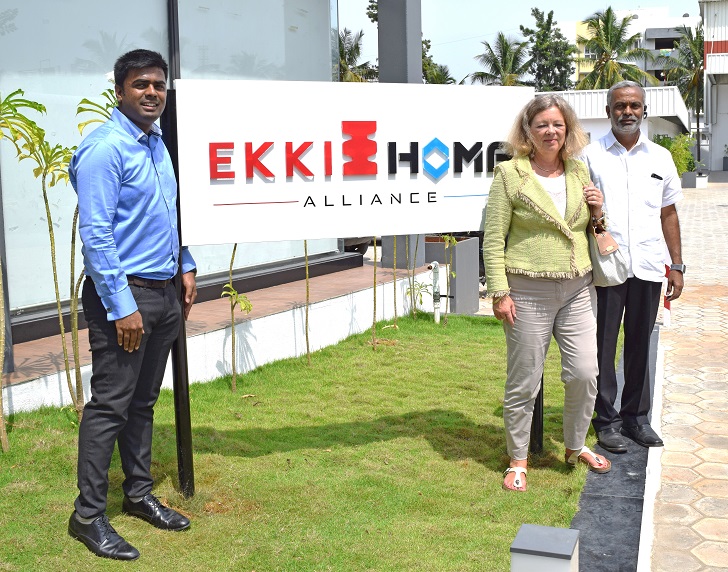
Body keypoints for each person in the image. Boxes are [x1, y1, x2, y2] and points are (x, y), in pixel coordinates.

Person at [67, 49, 198, 560]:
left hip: (164, 292)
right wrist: (122, 306)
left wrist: (184, 262)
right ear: (120, 91)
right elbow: (97, 237)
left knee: (143, 403)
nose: (152, 93)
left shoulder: (158, 144)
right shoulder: (105, 149)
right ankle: (88, 516)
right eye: (141, 84)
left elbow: (168, 215)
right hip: (125, 298)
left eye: (159, 85)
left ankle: (138, 495)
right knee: (110, 406)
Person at [483, 95, 611, 492]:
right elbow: (492, 238)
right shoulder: (509, 174)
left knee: (585, 372)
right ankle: (518, 458)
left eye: (557, 124)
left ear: (568, 129)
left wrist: (598, 209)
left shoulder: (579, 169)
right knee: (525, 380)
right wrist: (499, 292)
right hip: (526, 290)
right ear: (527, 132)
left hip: (577, 287)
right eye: (542, 125)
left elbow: (591, 227)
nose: (550, 132)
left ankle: (574, 446)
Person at [582, 81, 684, 453]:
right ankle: (605, 421)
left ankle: (636, 419)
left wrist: (678, 264)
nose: (628, 112)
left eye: (634, 106)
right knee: (602, 346)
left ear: (645, 110)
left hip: (648, 264)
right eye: (620, 105)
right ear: (609, 110)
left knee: (640, 342)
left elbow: (668, 212)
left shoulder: (660, 158)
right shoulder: (589, 156)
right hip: (606, 268)